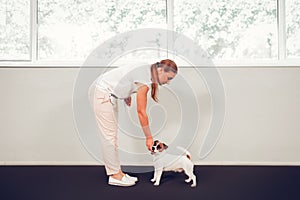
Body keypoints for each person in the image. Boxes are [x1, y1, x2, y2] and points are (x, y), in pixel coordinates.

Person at [88, 59, 178, 186]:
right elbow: (141, 111)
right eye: (168, 78)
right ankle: (114, 175)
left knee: (112, 136)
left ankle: (117, 172)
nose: (168, 82)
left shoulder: (146, 70)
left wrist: (125, 93)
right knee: (109, 137)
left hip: (108, 93)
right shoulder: (145, 78)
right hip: (102, 92)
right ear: (160, 70)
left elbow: (125, 76)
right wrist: (149, 137)